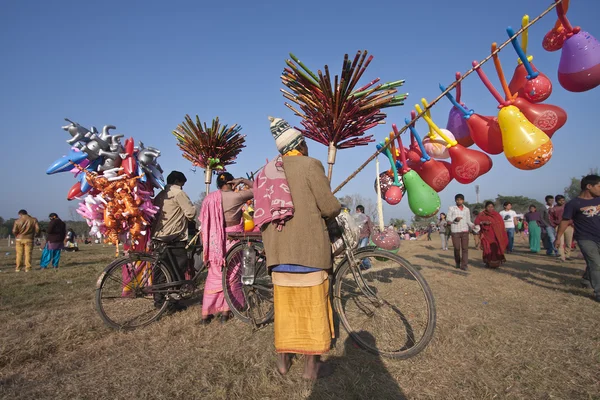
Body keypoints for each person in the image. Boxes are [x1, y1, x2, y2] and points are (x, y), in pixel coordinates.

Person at [258, 116, 340, 380]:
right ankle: (311, 368)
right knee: (313, 310)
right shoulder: (310, 165)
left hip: (279, 255)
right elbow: (329, 207)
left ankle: (283, 364)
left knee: (286, 312)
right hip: (309, 253)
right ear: (301, 145)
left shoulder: (265, 172)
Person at [200, 172, 254, 324]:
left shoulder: (208, 199)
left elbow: (203, 222)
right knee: (231, 274)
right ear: (231, 183)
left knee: (214, 275)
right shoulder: (237, 197)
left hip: (214, 241)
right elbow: (258, 189)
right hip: (233, 238)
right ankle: (226, 311)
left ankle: (206, 314)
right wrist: (243, 180)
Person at [152, 171, 197, 307]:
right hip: (174, 236)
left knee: (160, 270)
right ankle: (173, 301)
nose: (183, 186)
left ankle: (159, 300)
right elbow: (190, 213)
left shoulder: (160, 195)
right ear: (178, 181)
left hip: (159, 236)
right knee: (177, 269)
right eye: (182, 184)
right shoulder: (178, 193)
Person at [554, 175, 600, 302]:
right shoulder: (573, 204)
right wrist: (558, 238)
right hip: (585, 238)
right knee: (596, 263)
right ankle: (598, 292)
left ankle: (586, 279)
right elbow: (565, 221)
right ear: (589, 186)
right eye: (599, 186)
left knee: (594, 263)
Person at [475, 201, 509, 268]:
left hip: (496, 235)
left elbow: (501, 224)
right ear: (485, 207)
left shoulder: (497, 215)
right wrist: (483, 222)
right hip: (486, 235)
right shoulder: (482, 214)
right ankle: (488, 262)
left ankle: (496, 263)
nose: (490, 208)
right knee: (487, 248)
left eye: (492, 207)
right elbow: (476, 222)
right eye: (488, 207)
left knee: (495, 248)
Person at [447, 194, 474, 271]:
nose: (459, 201)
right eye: (457, 200)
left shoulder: (467, 209)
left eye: (461, 200)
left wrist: (472, 225)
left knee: (465, 249)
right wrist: (455, 219)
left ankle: (464, 265)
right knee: (457, 248)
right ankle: (458, 263)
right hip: (455, 230)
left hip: (465, 230)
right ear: (455, 200)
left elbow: (468, 220)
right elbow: (448, 219)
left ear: (463, 200)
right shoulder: (452, 208)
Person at [550, 195, 573, 261]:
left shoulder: (568, 207)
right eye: (560, 200)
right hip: (559, 226)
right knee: (560, 242)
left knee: (569, 241)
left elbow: (573, 215)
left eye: (563, 200)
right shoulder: (553, 209)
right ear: (557, 201)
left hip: (569, 226)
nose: (562, 202)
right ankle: (561, 256)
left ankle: (567, 255)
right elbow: (551, 219)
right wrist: (555, 225)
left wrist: (572, 223)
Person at [354, 205, 373, 270]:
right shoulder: (355, 218)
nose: (357, 211)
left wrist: (371, 237)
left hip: (365, 236)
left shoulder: (367, 218)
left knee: (362, 250)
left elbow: (370, 227)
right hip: (358, 237)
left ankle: (367, 265)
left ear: (362, 211)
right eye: (356, 210)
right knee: (359, 251)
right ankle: (363, 265)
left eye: (358, 210)